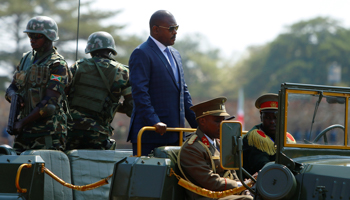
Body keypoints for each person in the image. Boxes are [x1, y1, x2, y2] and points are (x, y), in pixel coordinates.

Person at [128, 10, 197, 156]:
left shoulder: (176, 54)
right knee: (148, 178)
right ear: (156, 29)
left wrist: (199, 125)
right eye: (171, 29)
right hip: (150, 134)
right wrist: (154, 121)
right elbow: (140, 92)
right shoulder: (142, 53)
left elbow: (183, 94)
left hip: (175, 134)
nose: (175, 32)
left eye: (176, 28)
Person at [5, 16, 70, 153]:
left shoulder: (58, 64)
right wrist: (15, 97)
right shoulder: (26, 59)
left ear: (49, 37)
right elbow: (11, 88)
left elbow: (50, 103)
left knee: (46, 173)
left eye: (37, 36)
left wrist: (22, 122)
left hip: (47, 134)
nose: (32, 40)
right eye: (30, 35)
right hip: (23, 132)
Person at [66, 31, 133, 150]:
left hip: (71, 130)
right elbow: (132, 107)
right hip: (98, 133)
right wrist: (113, 106)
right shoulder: (122, 72)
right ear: (111, 50)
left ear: (90, 50)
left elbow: (62, 95)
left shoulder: (77, 66)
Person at [178, 97, 253, 200]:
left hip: (226, 193)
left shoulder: (220, 143)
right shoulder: (192, 148)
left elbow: (232, 173)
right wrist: (241, 185)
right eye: (217, 121)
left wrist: (244, 189)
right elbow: (212, 182)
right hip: (208, 196)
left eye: (223, 121)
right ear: (202, 121)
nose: (222, 125)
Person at [242, 93, 296, 175]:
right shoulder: (255, 138)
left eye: (276, 117)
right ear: (261, 117)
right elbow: (262, 165)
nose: (272, 122)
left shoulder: (287, 138)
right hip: (258, 183)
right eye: (267, 118)